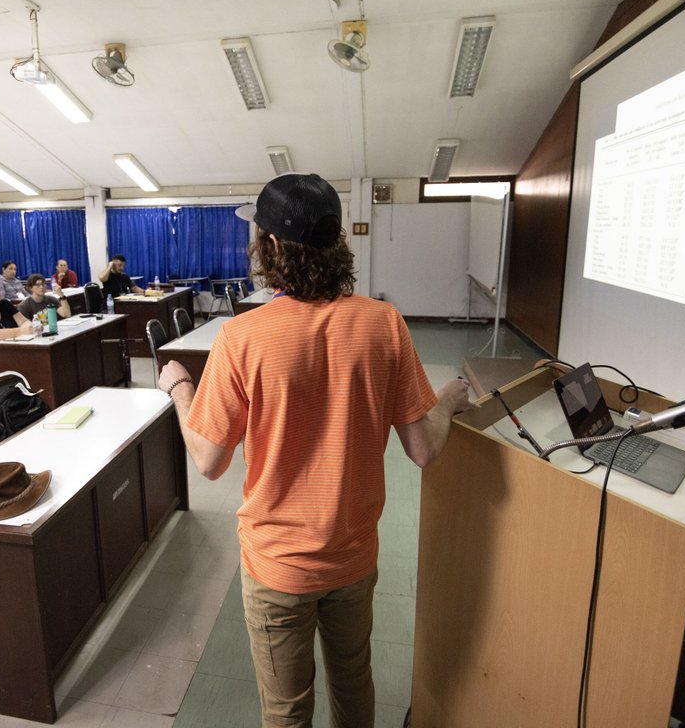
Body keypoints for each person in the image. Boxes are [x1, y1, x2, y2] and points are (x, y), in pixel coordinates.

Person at [157, 173, 472, 728]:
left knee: (287, 710)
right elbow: (423, 449)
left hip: (277, 565)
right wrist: (445, 402)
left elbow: (209, 460)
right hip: (352, 556)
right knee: (353, 682)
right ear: (336, 241)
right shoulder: (384, 324)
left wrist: (181, 388)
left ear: (271, 246)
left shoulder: (241, 337)